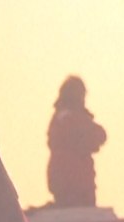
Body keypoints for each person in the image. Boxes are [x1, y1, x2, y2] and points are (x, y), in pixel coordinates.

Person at [46, 75, 107, 207]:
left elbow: (99, 135)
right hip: (71, 187)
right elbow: (93, 135)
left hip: (78, 186)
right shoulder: (67, 118)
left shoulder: (65, 117)